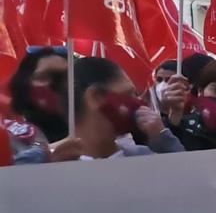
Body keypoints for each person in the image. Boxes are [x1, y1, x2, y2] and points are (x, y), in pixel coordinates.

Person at [42, 57, 184, 162]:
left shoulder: (144, 158)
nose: (139, 102)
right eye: (129, 94)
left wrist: (164, 139)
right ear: (96, 97)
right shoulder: (46, 169)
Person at [7, 46, 70, 142]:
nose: (55, 84)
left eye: (64, 77)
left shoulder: (90, 130)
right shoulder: (12, 132)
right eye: (43, 77)